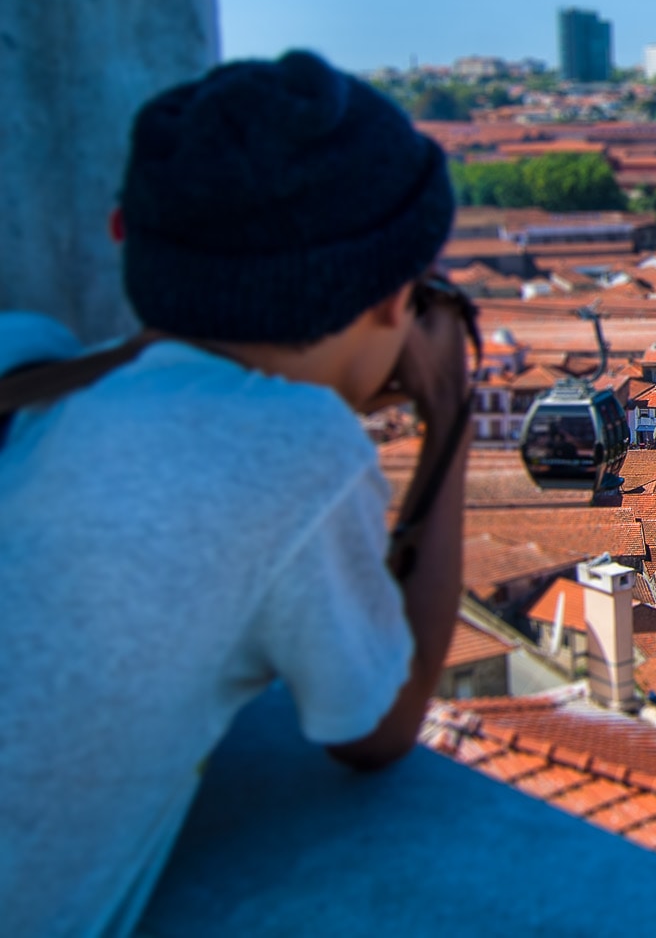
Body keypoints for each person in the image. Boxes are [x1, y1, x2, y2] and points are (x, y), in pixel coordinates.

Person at [0, 51, 471, 935]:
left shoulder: (25, 362)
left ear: (125, 234)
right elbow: (377, 728)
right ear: (388, 299)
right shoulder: (292, 448)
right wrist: (448, 414)